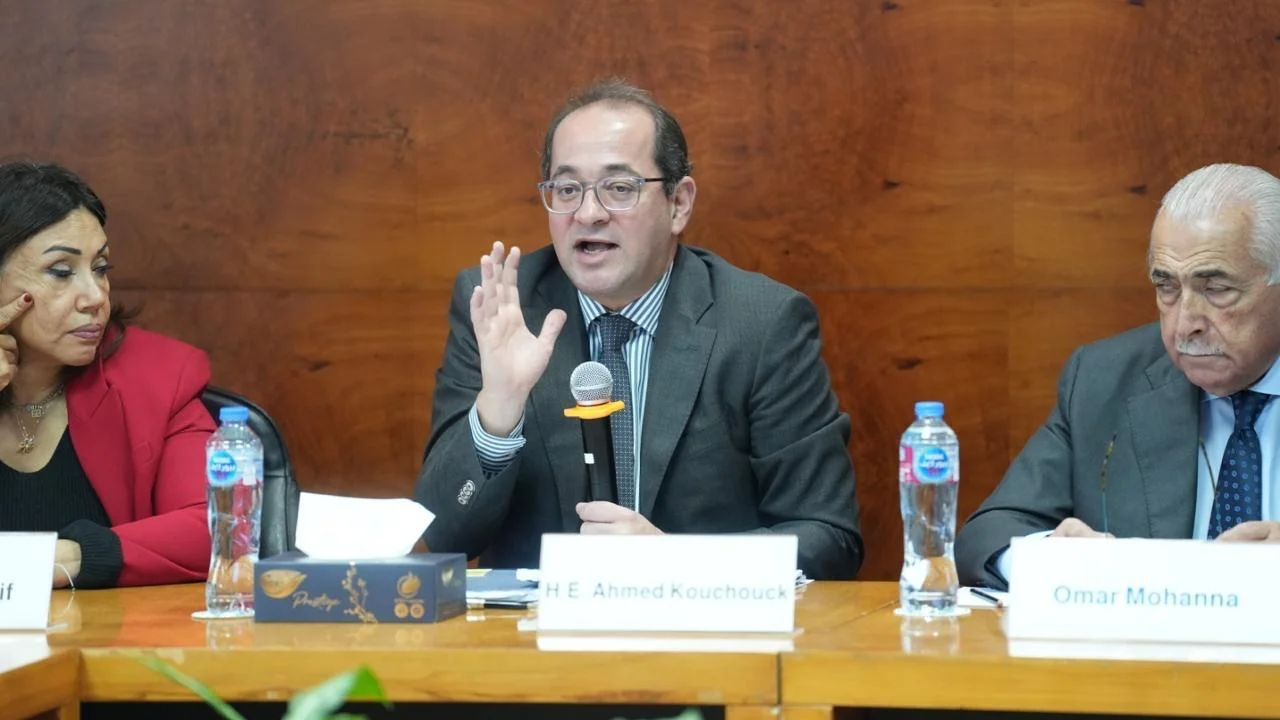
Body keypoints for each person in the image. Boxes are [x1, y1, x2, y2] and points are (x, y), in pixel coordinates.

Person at [415, 79, 862, 579]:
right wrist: (499, 409)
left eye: (619, 188)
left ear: (678, 204)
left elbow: (829, 538)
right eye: (567, 189)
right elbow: (445, 536)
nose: (588, 214)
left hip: (696, 624)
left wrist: (675, 561)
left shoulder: (760, 323)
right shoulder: (502, 310)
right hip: (538, 627)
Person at [957, 162, 1280, 590]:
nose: (1184, 324)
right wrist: (1053, 559)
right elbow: (988, 534)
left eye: (1217, 290)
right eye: (1167, 287)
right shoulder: (1104, 381)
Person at [0, 161, 213, 588]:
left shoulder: (160, 377)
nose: (96, 297)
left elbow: (212, 530)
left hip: (104, 629)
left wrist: (65, 558)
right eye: (61, 272)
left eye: (100, 268)